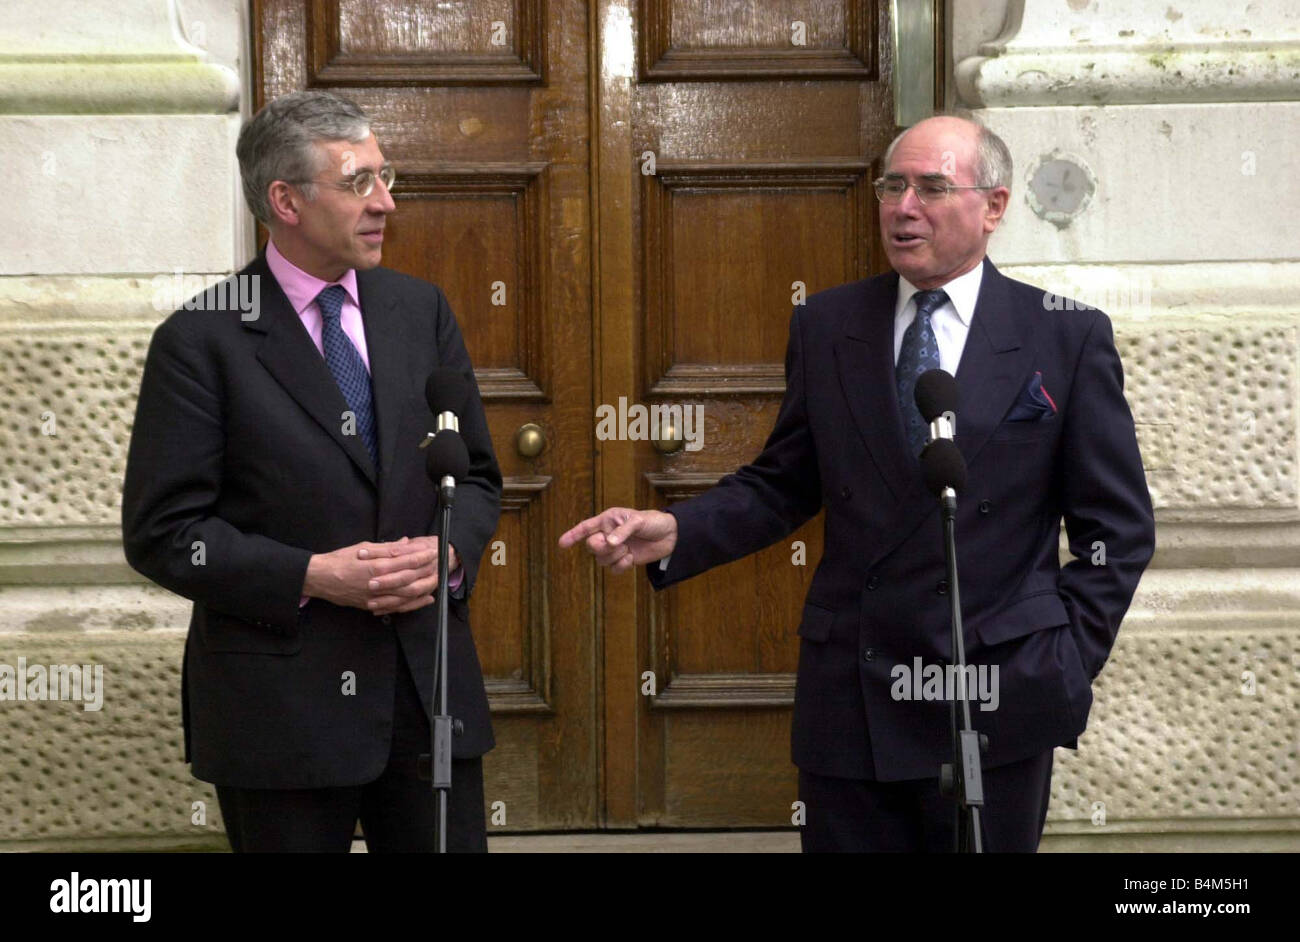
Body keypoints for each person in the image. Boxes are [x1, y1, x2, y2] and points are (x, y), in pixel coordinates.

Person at [559, 114, 1155, 852]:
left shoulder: (1064, 334)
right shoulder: (829, 324)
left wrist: (1062, 657)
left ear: (993, 207)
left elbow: (1117, 529)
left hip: (995, 695)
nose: (904, 207)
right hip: (854, 695)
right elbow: (784, 481)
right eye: (892, 185)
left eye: (932, 187)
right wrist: (682, 530)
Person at [122, 90, 502, 852]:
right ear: (285, 201)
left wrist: (449, 551)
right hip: (281, 714)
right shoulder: (201, 339)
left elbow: (479, 478)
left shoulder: (419, 310)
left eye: (385, 177)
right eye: (359, 182)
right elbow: (164, 533)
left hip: (426, 698)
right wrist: (313, 575)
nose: (386, 202)